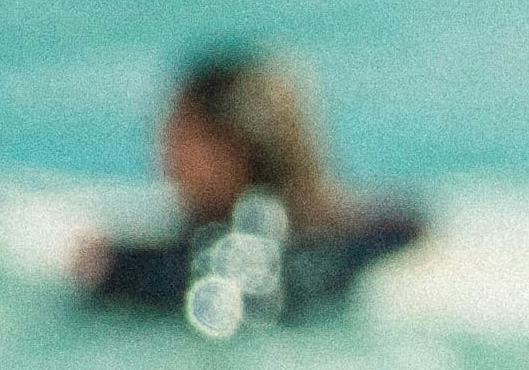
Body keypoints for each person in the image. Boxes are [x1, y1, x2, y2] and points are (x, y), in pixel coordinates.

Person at [77, 48, 424, 336]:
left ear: (231, 148)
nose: (163, 150)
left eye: (180, 134)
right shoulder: (366, 231)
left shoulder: (220, 247)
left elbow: (225, 289)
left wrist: (113, 268)